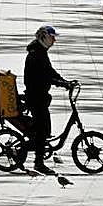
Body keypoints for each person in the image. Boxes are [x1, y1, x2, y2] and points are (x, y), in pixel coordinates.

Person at [23, 25, 73, 175]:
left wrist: (63, 81)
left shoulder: (40, 52)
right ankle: (38, 163)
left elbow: (49, 71)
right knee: (41, 130)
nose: (54, 40)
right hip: (36, 96)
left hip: (40, 96)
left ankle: (39, 154)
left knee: (44, 128)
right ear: (44, 37)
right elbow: (44, 75)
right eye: (52, 37)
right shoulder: (36, 54)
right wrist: (60, 83)